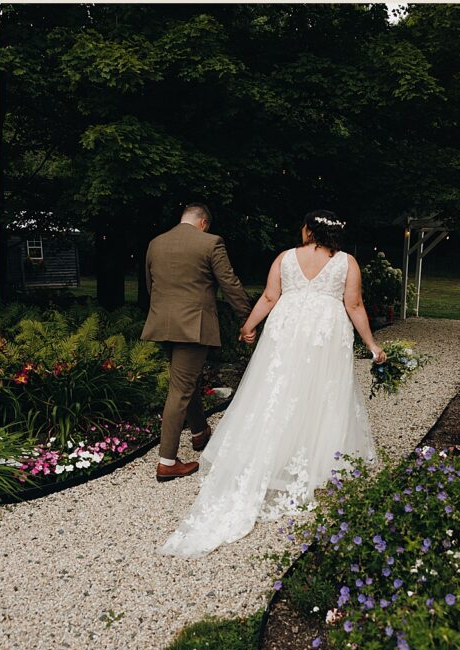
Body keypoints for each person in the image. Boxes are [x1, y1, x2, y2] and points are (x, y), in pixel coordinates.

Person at [159, 211, 388, 558]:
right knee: (320, 396)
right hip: (324, 334)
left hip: (287, 329)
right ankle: (311, 463)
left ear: (310, 229)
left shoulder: (285, 257)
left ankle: (273, 456)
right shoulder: (346, 262)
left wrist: (248, 326)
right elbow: (353, 304)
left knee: (276, 391)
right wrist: (371, 344)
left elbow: (269, 297)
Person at [142, 203, 253, 482]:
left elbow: (149, 284)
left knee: (185, 381)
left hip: (162, 323)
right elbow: (228, 282)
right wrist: (247, 317)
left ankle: (200, 432)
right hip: (193, 325)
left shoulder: (156, 243)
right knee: (180, 388)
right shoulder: (210, 242)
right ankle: (167, 461)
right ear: (204, 222)